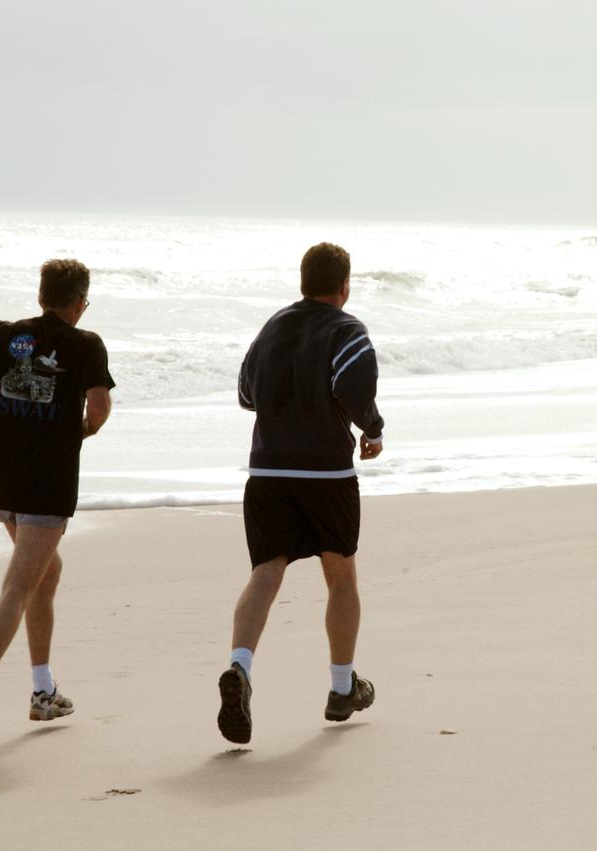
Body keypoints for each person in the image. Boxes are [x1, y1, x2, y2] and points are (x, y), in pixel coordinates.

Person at [0, 258, 114, 755]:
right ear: (79, 301)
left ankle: (43, 690)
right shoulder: (85, 345)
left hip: (4, 474)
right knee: (20, 584)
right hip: (48, 480)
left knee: (46, 571)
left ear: (41, 296)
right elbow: (99, 409)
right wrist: (83, 430)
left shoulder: (5, 334)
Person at [217, 242, 384, 744]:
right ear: (344, 285)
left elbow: (247, 394)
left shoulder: (272, 327)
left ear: (303, 281)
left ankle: (240, 667)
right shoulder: (347, 329)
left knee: (266, 572)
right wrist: (372, 429)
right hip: (326, 475)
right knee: (340, 578)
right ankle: (341, 688)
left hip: (266, 471)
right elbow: (354, 388)